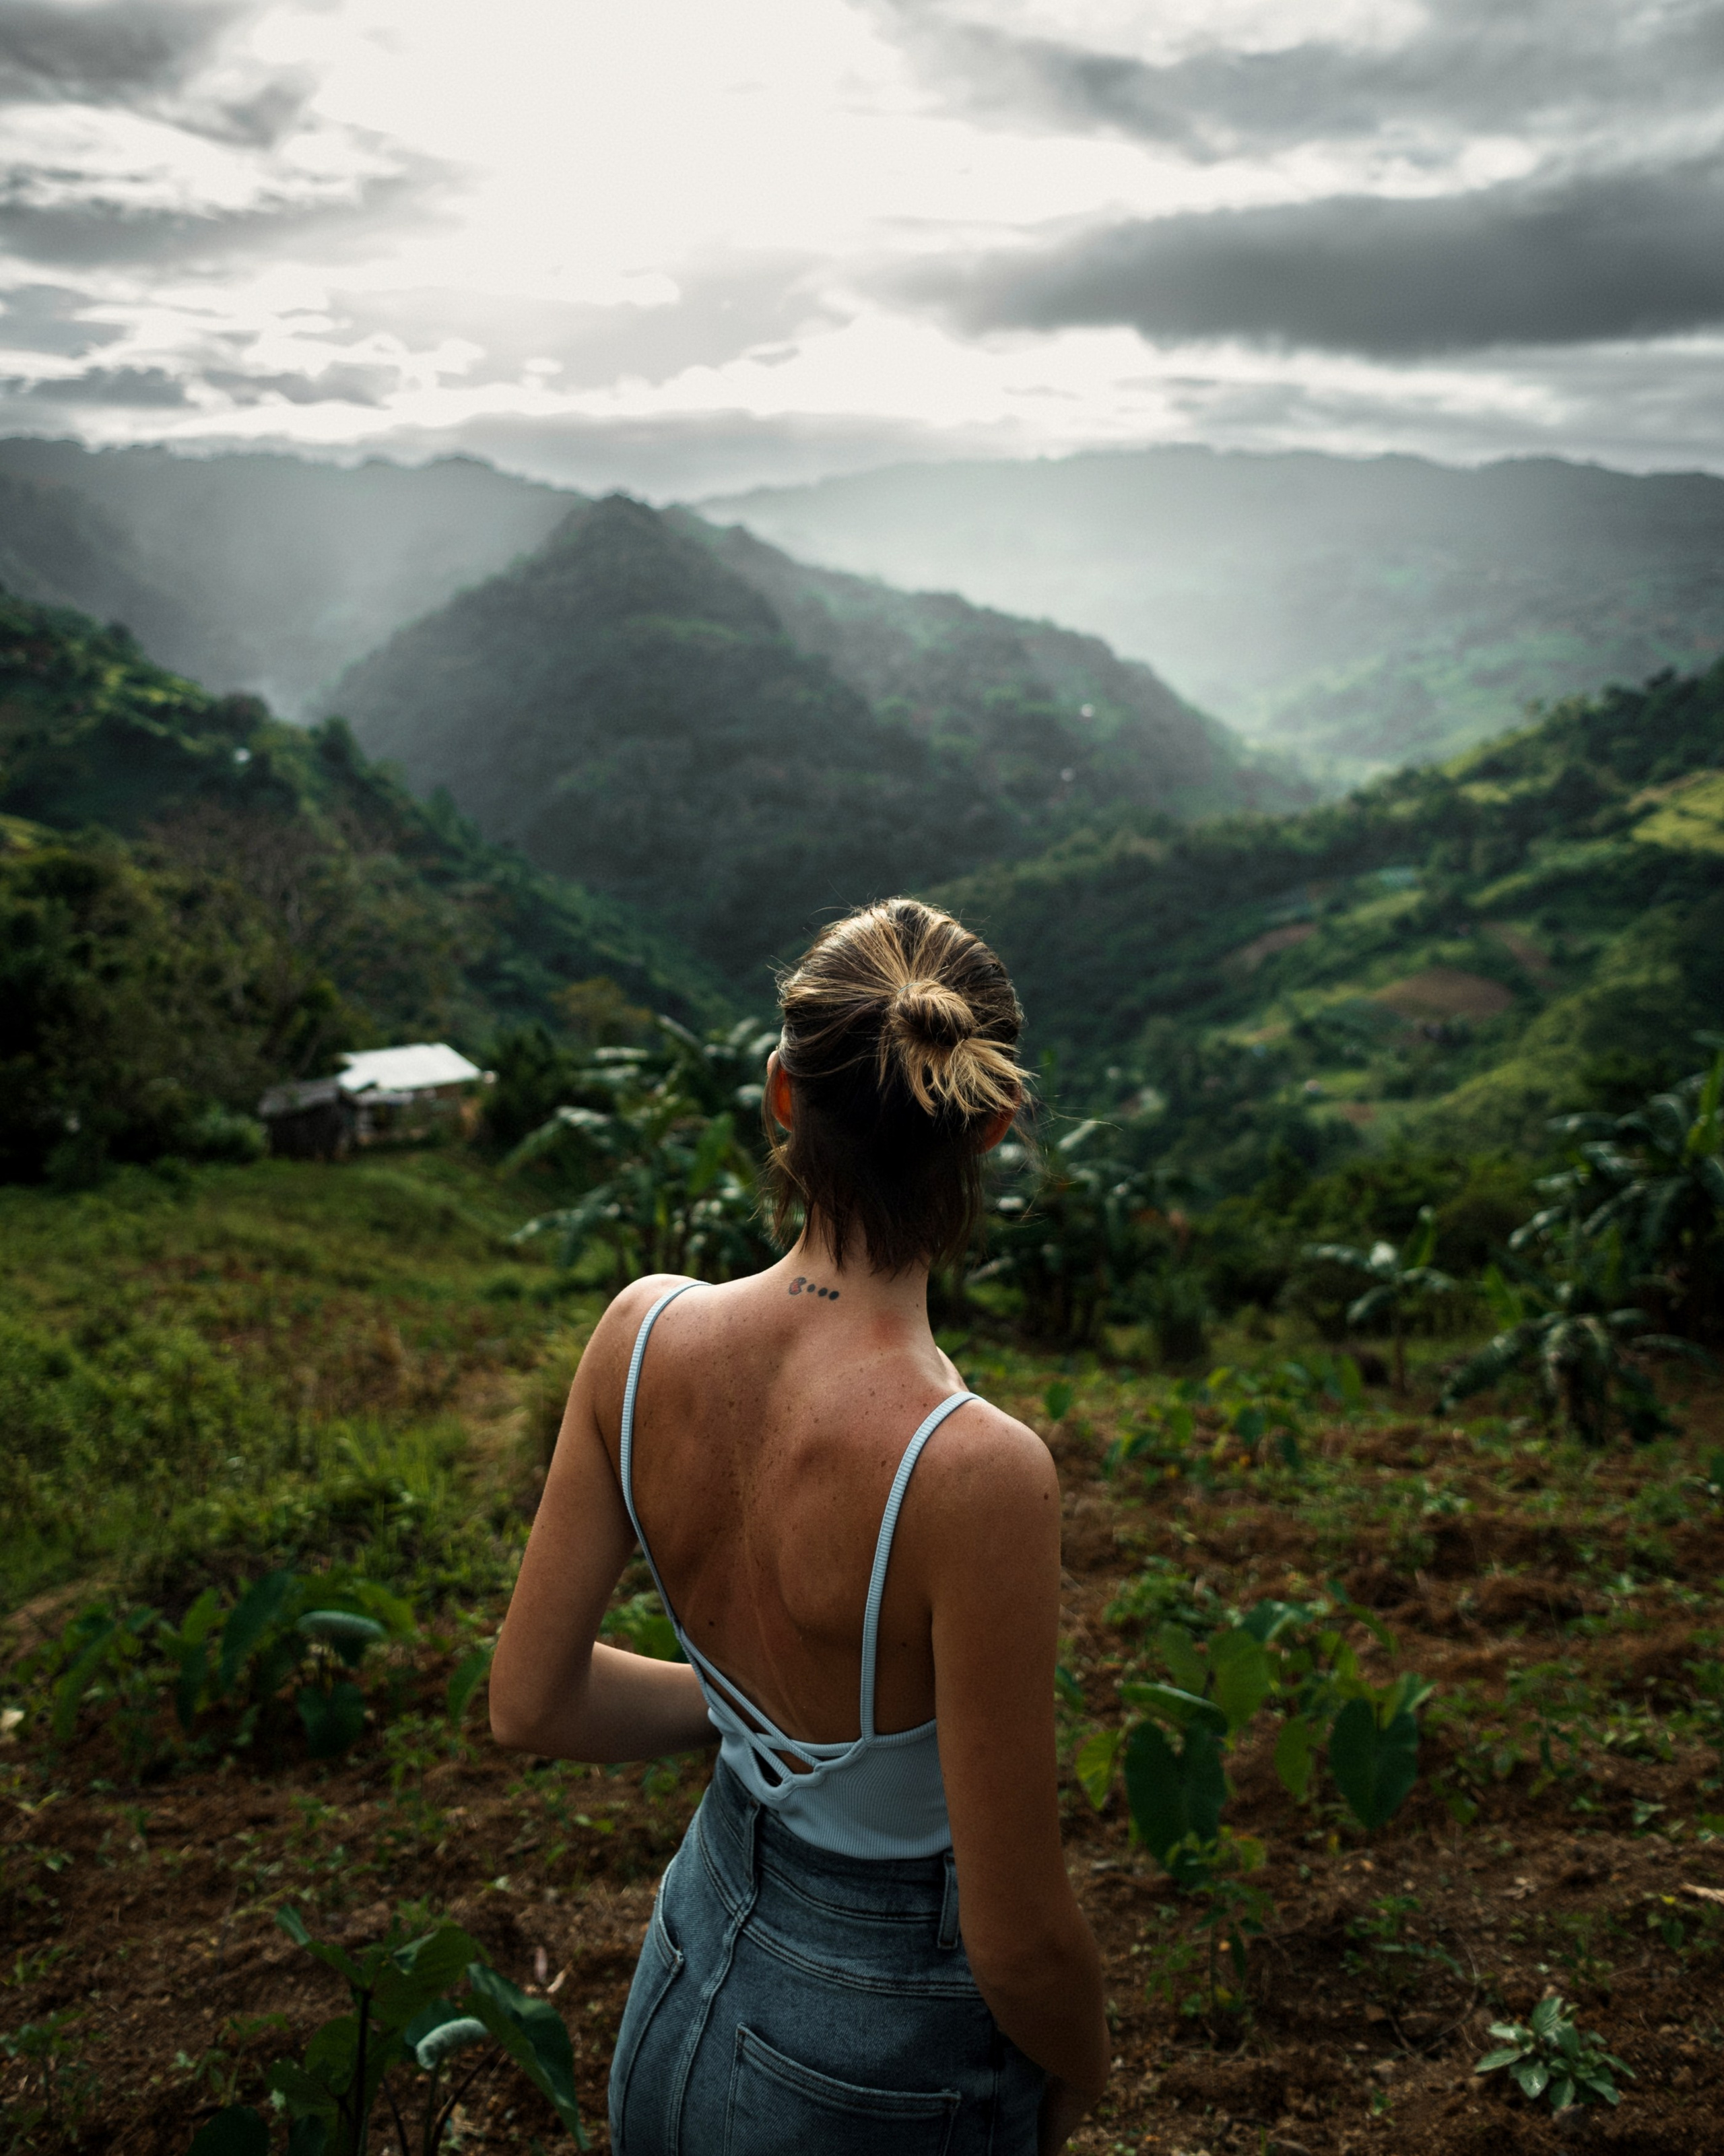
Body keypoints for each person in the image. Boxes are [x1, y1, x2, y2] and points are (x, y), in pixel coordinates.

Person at [490, 897, 1109, 2155]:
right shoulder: (975, 1471)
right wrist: (1087, 2066)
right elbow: (1020, 1939)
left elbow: (532, 1703)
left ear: (782, 1095)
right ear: (989, 1125)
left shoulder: (640, 1335)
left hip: (677, 1988)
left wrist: (744, 1713)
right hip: (877, 2066)